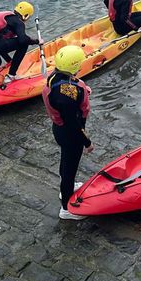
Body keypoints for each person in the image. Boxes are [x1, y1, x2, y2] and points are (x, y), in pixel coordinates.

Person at [43, 45, 93, 220]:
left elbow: (65, 96)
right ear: (73, 66)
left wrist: (83, 92)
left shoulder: (55, 77)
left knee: (66, 160)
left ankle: (68, 186)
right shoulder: (67, 93)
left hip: (60, 130)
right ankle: (66, 208)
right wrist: (87, 142)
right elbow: (73, 122)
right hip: (70, 134)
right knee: (69, 168)